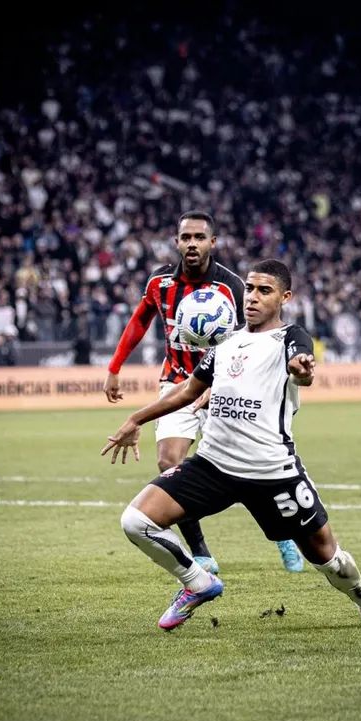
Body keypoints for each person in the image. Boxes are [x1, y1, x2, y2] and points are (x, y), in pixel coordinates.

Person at [101, 259, 361, 632]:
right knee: (136, 521)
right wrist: (136, 419)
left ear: (285, 297)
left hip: (272, 472)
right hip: (213, 466)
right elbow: (186, 391)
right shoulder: (225, 343)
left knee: (327, 556)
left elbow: (302, 363)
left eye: (265, 290)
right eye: (249, 288)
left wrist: (302, 368)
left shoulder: (291, 338)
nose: (252, 297)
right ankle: (198, 583)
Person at [104, 211, 304, 573]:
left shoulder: (232, 286)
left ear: (213, 242)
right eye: (186, 237)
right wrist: (115, 367)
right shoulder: (160, 282)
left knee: (245, 464)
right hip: (176, 381)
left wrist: (222, 384)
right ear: (176, 243)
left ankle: (282, 535)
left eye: (199, 237)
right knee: (168, 462)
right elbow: (139, 321)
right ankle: (200, 552)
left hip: (226, 384)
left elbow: (252, 337)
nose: (192, 243)